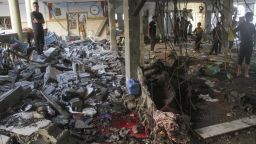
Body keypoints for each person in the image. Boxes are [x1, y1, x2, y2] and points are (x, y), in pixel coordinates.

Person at [234, 12, 256, 78]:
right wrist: (254, 41)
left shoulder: (242, 24)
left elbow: (234, 31)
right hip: (249, 44)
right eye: (251, 16)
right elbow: (254, 35)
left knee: (241, 58)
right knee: (247, 58)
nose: (252, 18)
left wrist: (239, 37)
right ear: (248, 17)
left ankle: (239, 72)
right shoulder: (251, 25)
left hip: (244, 43)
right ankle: (245, 73)